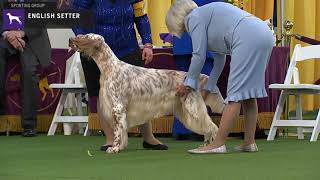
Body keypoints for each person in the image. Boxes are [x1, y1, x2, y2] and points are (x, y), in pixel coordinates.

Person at [166, 0, 274, 153]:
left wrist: (187, 84)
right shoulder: (206, 15)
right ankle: (249, 142)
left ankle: (218, 143)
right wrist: (210, 86)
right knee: (248, 94)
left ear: (176, 18)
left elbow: (198, 56)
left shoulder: (193, 18)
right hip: (264, 33)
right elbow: (219, 58)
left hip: (246, 37)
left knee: (235, 96)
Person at [65, 0, 168, 151]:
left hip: (128, 49)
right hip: (96, 53)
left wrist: (147, 44)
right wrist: (81, 36)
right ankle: (110, 139)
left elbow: (141, 17)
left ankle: (148, 137)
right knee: (102, 94)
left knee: (138, 93)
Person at [172, 0, 223, 140]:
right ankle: (199, 128)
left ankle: (182, 129)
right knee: (200, 87)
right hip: (202, 41)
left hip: (182, 39)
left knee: (183, 87)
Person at [0, 2, 51, 137]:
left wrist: (20, 33)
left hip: (31, 37)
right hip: (6, 36)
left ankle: (29, 125)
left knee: (29, 70)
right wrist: (8, 34)